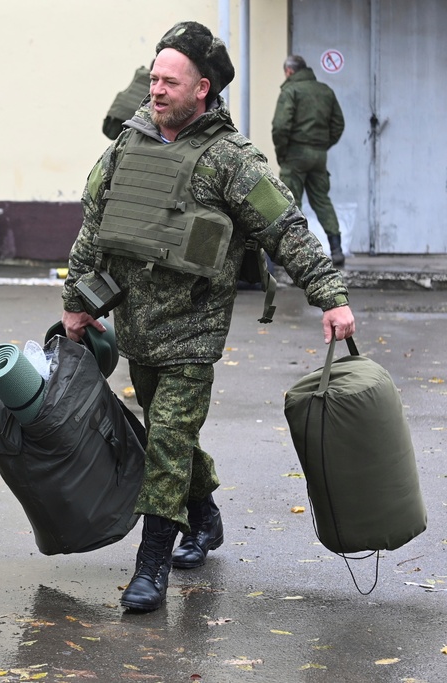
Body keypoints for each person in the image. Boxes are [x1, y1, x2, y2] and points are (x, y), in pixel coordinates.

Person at [60, 21, 355, 613]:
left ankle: (151, 566)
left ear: (202, 89)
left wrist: (331, 295)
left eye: (170, 81)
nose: (157, 90)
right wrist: (76, 302)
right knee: (170, 434)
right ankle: (204, 513)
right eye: (154, 79)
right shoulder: (128, 143)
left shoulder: (231, 159)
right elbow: (95, 222)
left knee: (168, 436)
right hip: (136, 323)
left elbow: (284, 227)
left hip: (195, 328)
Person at [271, 55, 346, 266]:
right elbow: (338, 124)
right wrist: (322, 145)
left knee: (289, 203)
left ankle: (294, 252)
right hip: (319, 155)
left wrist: (282, 152)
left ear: (289, 71)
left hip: (295, 154)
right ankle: (336, 249)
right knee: (322, 200)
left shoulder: (290, 91)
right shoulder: (325, 91)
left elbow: (280, 126)